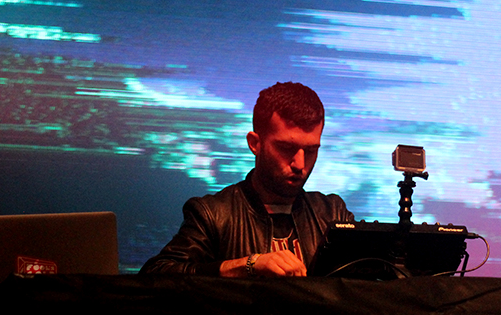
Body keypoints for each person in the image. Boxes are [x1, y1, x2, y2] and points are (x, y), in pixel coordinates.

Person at [140, 81, 353, 277]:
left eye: (311, 150)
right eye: (286, 148)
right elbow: (155, 275)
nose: (300, 163)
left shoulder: (332, 213)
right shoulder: (214, 214)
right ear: (254, 144)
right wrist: (247, 265)